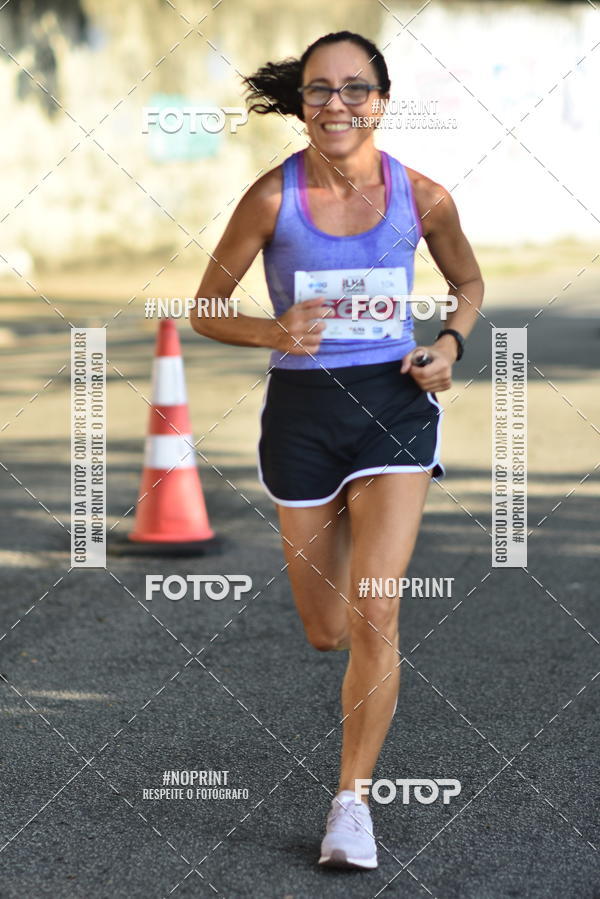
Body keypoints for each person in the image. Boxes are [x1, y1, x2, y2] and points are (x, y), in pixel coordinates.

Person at [191, 30, 484, 870]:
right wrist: (273, 330)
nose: (338, 105)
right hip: (304, 417)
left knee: (378, 609)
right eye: (320, 90)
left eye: (356, 89)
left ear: (382, 101)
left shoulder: (422, 197)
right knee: (328, 629)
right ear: (302, 104)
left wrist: (449, 346)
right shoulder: (268, 199)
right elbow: (206, 306)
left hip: (393, 406)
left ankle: (351, 804)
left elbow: (468, 285)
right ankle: (351, 563)